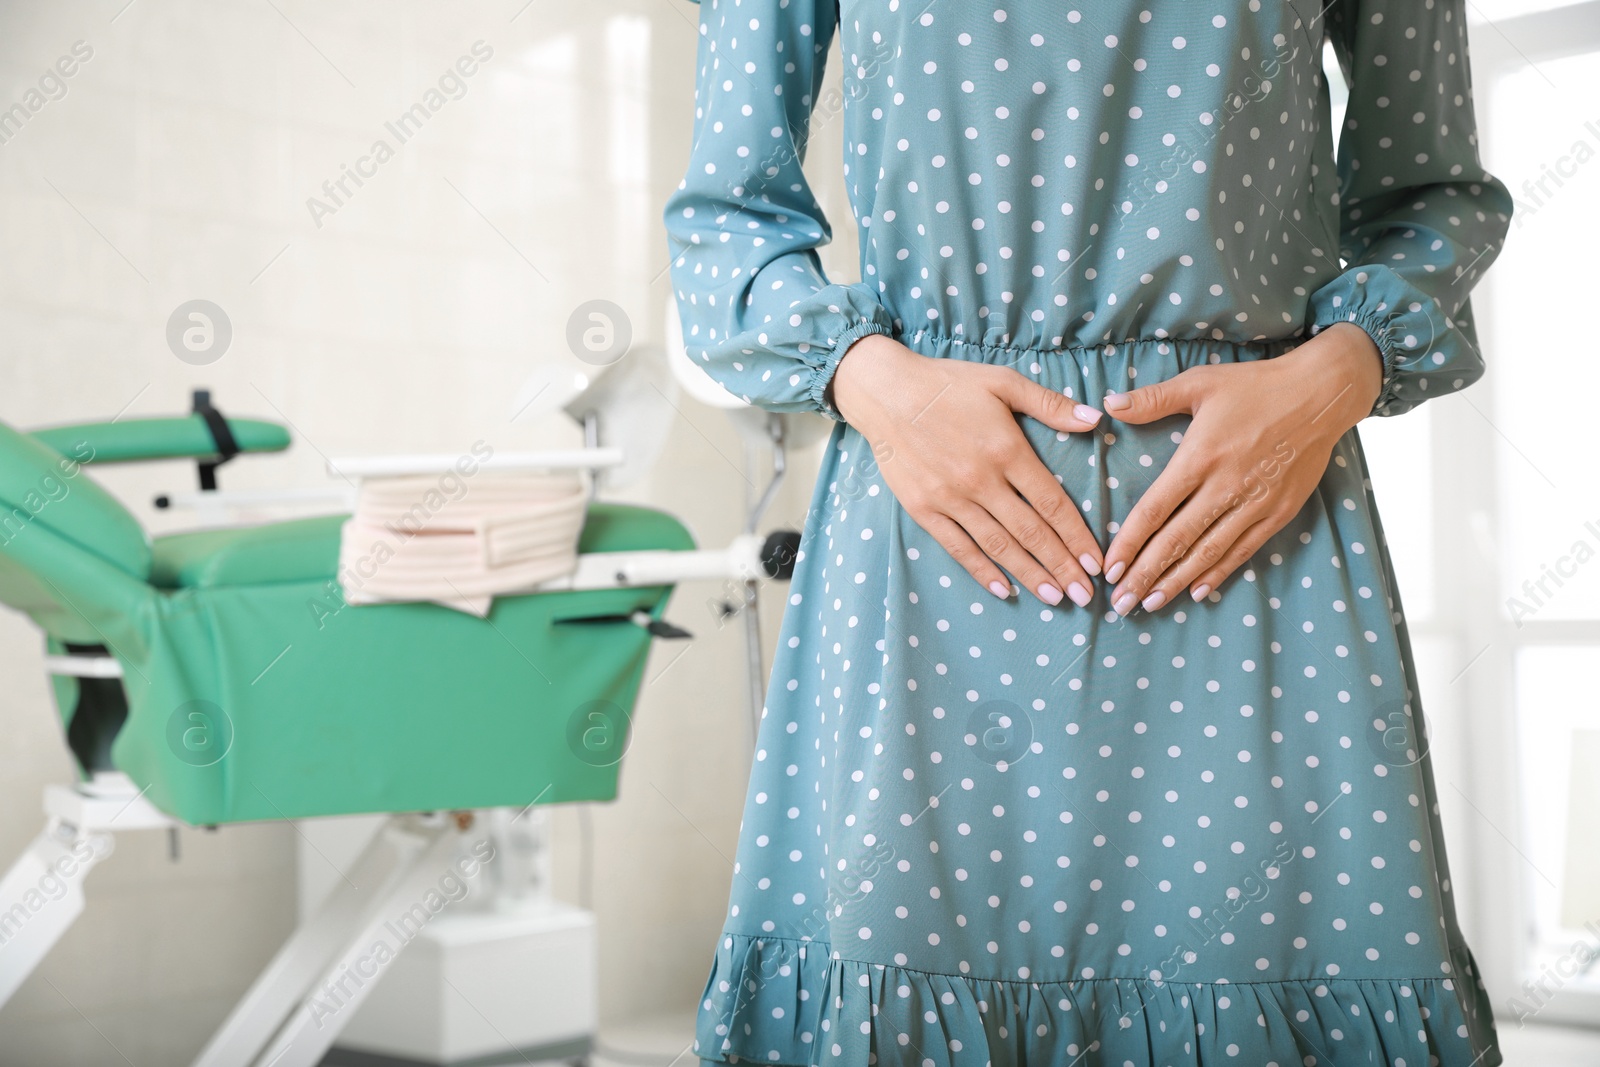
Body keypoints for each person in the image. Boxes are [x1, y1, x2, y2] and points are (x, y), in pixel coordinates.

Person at [664, 0, 1513, 1062]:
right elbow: (725, 216)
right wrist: (870, 378)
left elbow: (1434, 193)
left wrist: (1343, 366)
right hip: (933, 535)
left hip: (1257, 534)